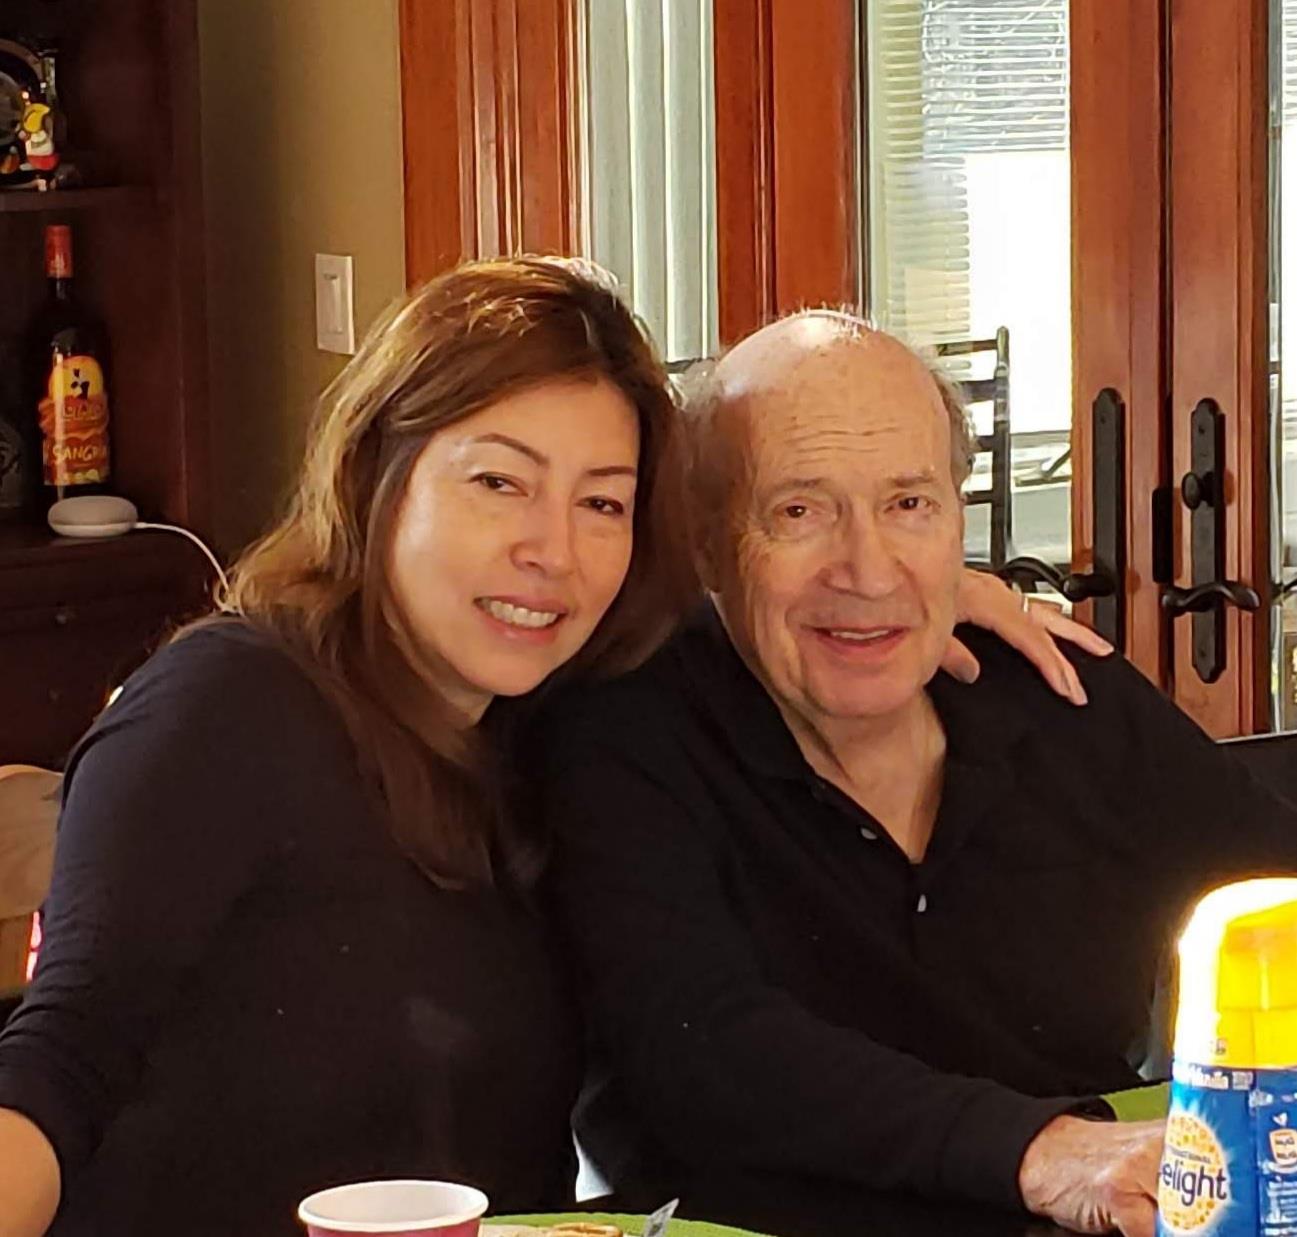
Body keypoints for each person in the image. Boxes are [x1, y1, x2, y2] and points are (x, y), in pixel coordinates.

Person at [0, 265, 1095, 1237]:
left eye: (602, 502)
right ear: (378, 470)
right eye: (498, 482)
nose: (552, 550)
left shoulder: (561, 721)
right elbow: (60, 1061)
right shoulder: (226, 705)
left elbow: (748, 614)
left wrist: (913, 589)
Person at [537, 311, 1297, 1237]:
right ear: (705, 544)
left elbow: (1276, 882)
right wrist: (1040, 1151)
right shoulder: (623, 726)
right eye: (798, 511)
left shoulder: (1056, 689)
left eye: (909, 505)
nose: (867, 570)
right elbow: (700, 1051)